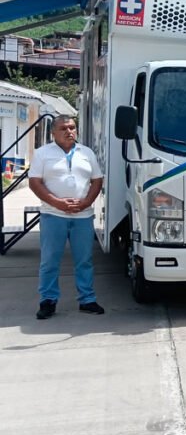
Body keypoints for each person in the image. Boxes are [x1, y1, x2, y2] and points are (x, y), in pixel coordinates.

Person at [28, 115, 105, 319]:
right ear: (53, 133)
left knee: (84, 260)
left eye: (72, 127)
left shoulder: (86, 153)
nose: (69, 131)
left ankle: (87, 300)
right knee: (50, 260)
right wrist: (56, 202)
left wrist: (87, 202)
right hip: (53, 215)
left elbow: (97, 180)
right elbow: (34, 182)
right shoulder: (42, 153)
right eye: (63, 128)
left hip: (83, 216)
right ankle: (48, 301)